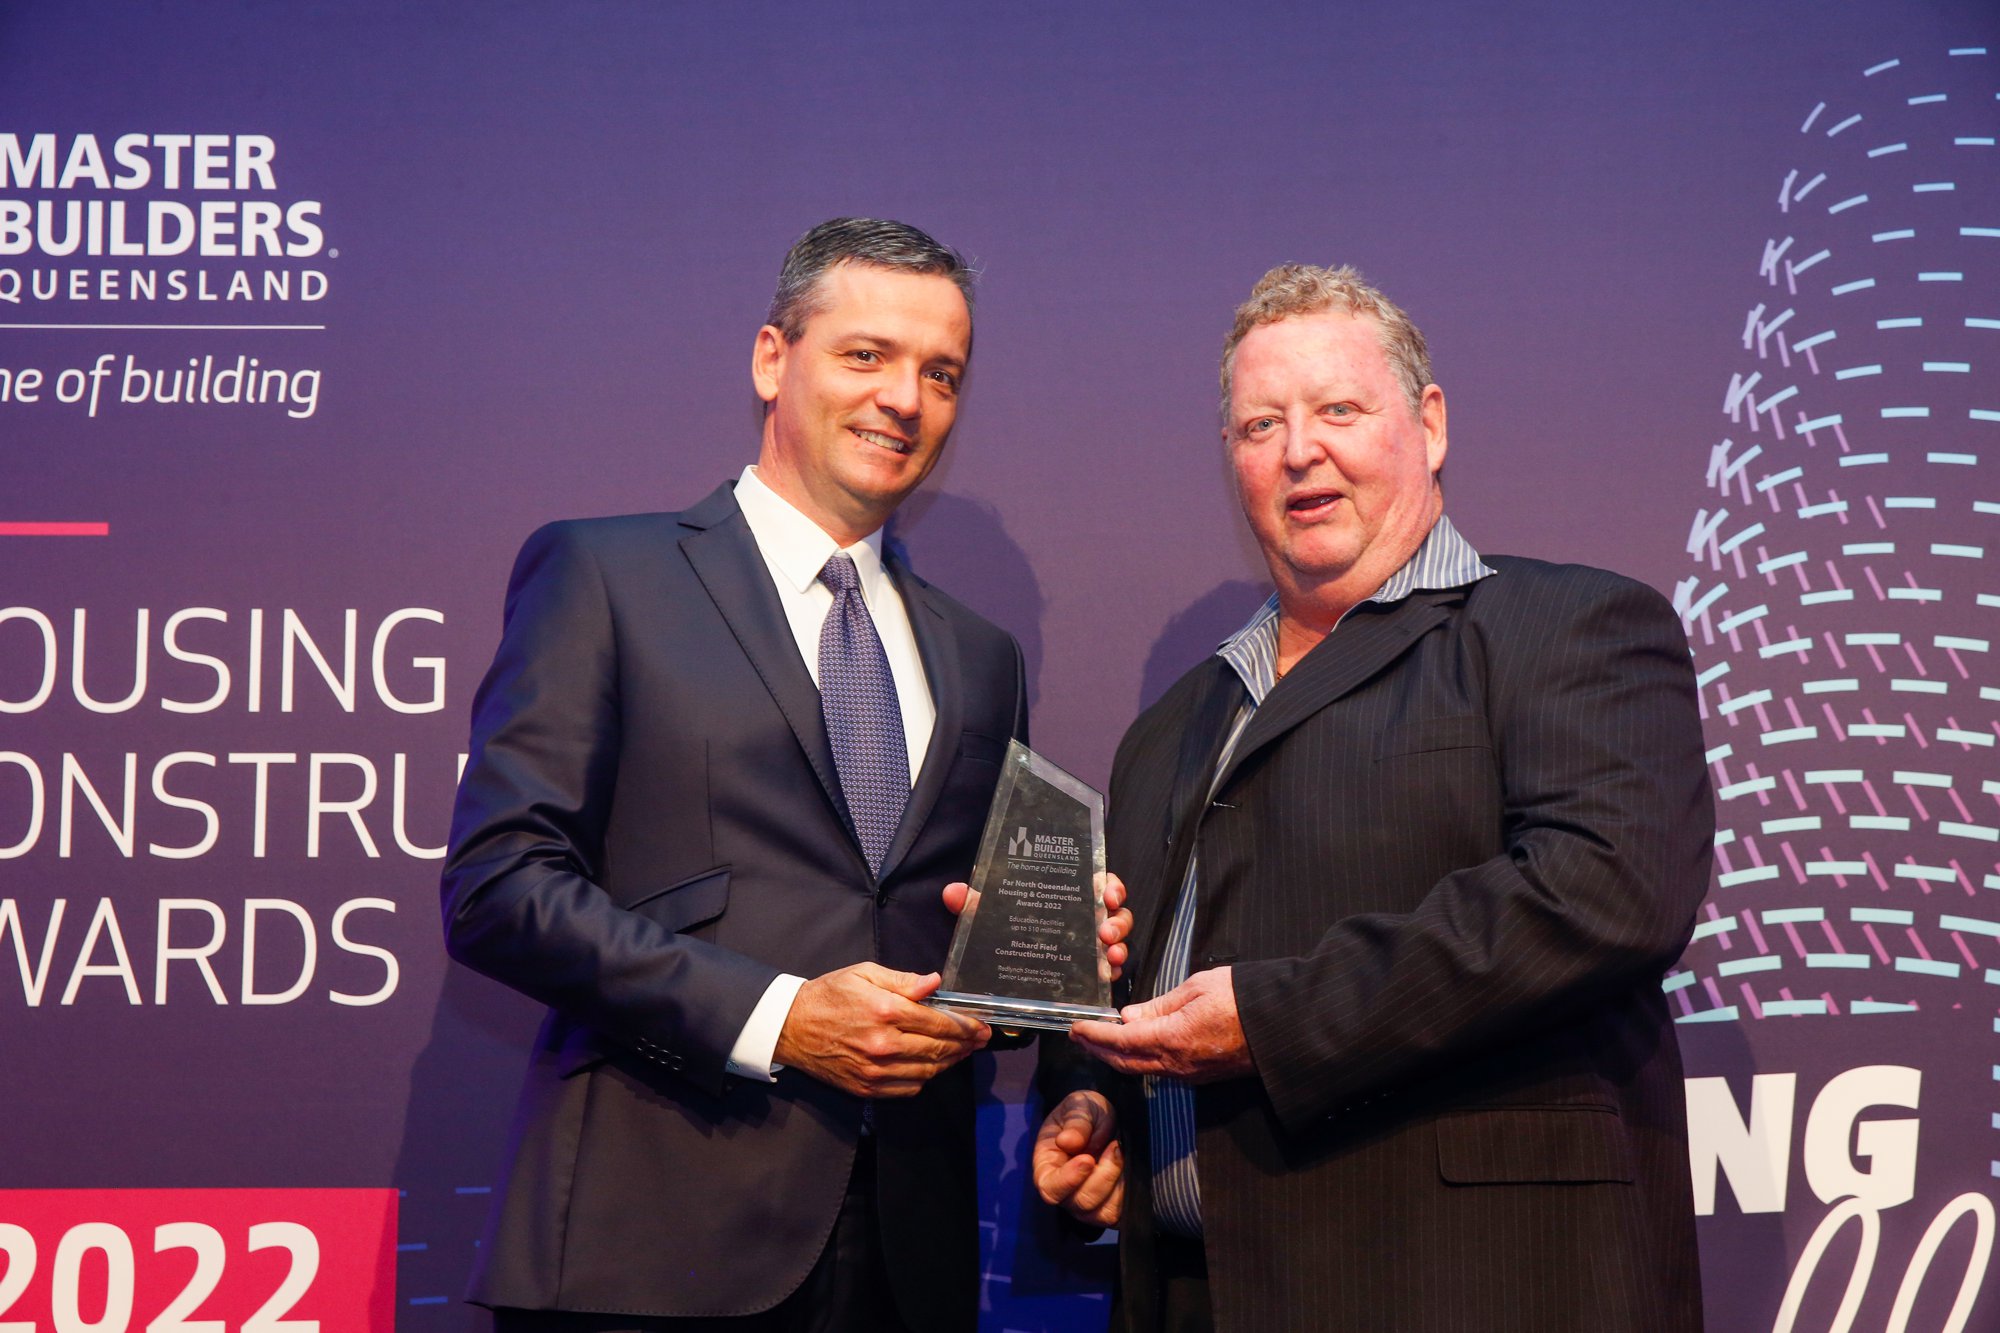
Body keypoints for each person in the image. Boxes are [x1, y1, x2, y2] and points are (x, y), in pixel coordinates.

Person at [443, 217, 1126, 1332]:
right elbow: (500, 888)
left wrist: (1041, 969)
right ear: (773, 359)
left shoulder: (980, 657)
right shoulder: (605, 575)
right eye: (866, 354)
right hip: (649, 1249)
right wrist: (780, 1016)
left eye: (940, 373)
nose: (904, 398)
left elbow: (945, 949)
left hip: (909, 1260)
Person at [1034, 264, 1712, 1332]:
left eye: (1338, 410)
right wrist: (1096, 1101)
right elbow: (1137, 993)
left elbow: (1605, 891)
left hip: (1472, 1290)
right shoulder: (1168, 732)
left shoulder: (1566, 626)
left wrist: (1271, 1019)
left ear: (1428, 424)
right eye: (1261, 425)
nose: (1299, 449)